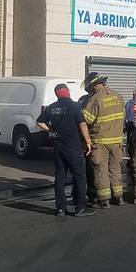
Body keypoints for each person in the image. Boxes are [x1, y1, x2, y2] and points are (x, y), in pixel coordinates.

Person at [36, 84, 95, 217]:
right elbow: (82, 124)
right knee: (79, 177)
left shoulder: (52, 107)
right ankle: (80, 208)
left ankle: (60, 209)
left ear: (57, 94)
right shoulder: (75, 106)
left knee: (60, 177)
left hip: (58, 146)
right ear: (67, 92)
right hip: (74, 146)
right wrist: (88, 142)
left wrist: (52, 130)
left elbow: (39, 122)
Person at [82, 72, 126, 208]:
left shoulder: (95, 99)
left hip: (100, 141)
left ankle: (104, 200)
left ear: (94, 86)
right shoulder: (118, 96)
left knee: (100, 170)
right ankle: (118, 197)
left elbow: (86, 119)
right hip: (117, 140)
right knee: (115, 168)